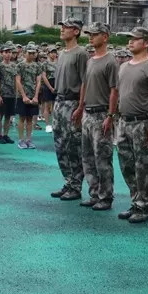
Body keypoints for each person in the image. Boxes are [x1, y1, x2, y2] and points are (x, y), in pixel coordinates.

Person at [115, 27, 148, 223]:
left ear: (146, 43)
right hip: (124, 121)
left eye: (135, 39)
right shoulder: (124, 66)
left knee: (142, 166)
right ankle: (135, 200)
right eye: (130, 39)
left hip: (142, 122)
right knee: (126, 165)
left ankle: (144, 205)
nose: (130, 42)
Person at [80, 22, 119, 211]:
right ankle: (94, 192)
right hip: (88, 113)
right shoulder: (90, 60)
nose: (91, 37)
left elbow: (114, 91)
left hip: (102, 113)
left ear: (105, 37)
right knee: (87, 156)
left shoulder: (110, 61)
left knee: (102, 157)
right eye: (90, 34)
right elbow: (85, 86)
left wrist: (110, 116)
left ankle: (106, 196)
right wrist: (81, 107)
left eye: (95, 34)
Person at [50, 19, 88, 200]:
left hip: (72, 103)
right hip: (59, 102)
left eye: (66, 27)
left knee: (73, 145)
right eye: (62, 27)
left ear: (76, 31)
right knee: (59, 144)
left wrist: (80, 107)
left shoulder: (81, 53)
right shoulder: (62, 53)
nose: (62, 30)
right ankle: (68, 180)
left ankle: (76, 184)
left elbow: (84, 82)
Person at [15, 44, 44, 149]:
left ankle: (29, 139)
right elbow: (18, 81)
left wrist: (36, 96)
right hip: (22, 95)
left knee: (30, 119)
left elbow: (38, 81)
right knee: (22, 118)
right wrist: (23, 96)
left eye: (33, 53)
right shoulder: (20, 65)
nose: (32, 55)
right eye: (30, 53)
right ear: (24, 53)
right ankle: (21, 140)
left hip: (33, 95)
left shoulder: (37, 66)